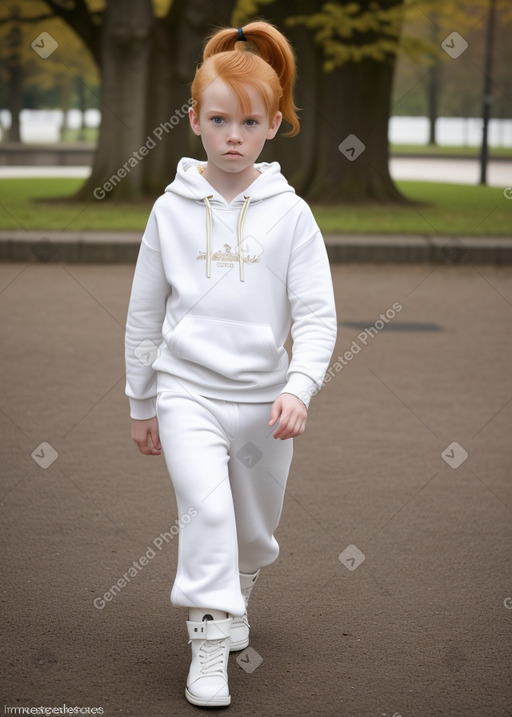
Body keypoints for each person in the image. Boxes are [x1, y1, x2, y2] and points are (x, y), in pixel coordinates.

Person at [124, 20, 337, 709]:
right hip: (187, 393)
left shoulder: (293, 216)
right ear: (194, 120)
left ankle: (239, 583)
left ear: (273, 124)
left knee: (251, 526)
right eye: (219, 120)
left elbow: (317, 315)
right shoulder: (169, 210)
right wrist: (142, 401)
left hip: (265, 402)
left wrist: (300, 386)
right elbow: (144, 314)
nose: (233, 135)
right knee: (207, 510)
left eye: (249, 121)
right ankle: (209, 639)